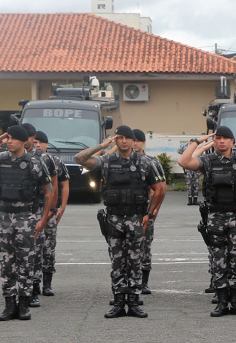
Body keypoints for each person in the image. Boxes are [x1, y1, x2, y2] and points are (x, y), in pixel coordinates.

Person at [75, 126, 166, 319]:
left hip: (135, 218)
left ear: (134, 141)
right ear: (115, 141)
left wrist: (149, 214)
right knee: (117, 263)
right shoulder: (106, 161)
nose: (124, 141)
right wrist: (102, 145)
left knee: (134, 262)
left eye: (128, 138)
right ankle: (118, 303)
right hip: (114, 219)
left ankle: (133, 303)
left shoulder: (143, 163)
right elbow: (79, 159)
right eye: (120, 138)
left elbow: (158, 189)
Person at [0, 126, 53, 321]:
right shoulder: (0, 159)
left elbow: (49, 192)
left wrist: (43, 219)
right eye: (8, 138)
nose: (9, 141)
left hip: (26, 217)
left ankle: (23, 305)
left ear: (24, 142)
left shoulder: (35, 163)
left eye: (13, 139)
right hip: (4, 217)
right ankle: (9, 304)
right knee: (6, 263)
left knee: (26, 263)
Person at [178, 128, 236, 317]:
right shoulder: (207, 161)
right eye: (218, 138)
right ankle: (222, 302)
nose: (221, 141)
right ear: (214, 141)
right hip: (215, 216)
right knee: (219, 260)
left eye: (225, 138)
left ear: (233, 142)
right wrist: (196, 140)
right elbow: (183, 162)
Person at [21, 123, 58, 308]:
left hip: (37, 210)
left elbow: (53, 187)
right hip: (16, 212)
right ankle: (19, 291)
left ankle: (35, 289)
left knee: (36, 253)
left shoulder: (43, 159)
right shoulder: (8, 157)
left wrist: (52, 210)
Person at [33, 131, 70, 297]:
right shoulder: (30, 160)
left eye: (40, 142)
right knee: (33, 248)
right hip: (34, 209)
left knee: (49, 247)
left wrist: (61, 207)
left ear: (47, 144)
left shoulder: (54, 161)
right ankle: (33, 283)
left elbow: (64, 184)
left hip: (50, 210)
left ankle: (46, 284)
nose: (38, 145)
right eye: (35, 142)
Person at [132, 129, 167, 296]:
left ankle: (144, 282)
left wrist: (154, 210)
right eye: (133, 140)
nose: (135, 143)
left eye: (138, 140)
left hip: (146, 211)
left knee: (145, 248)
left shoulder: (151, 161)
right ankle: (129, 283)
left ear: (143, 143)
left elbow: (161, 188)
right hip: (128, 211)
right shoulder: (124, 162)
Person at [178, 141, 202, 205]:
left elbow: (202, 161)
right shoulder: (186, 150)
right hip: (189, 171)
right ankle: (190, 200)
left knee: (196, 185)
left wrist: (201, 171)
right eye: (191, 143)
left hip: (196, 170)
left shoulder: (198, 150)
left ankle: (195, 200)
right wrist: (185, 144)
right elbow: (179, 151)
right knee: (189, 185)